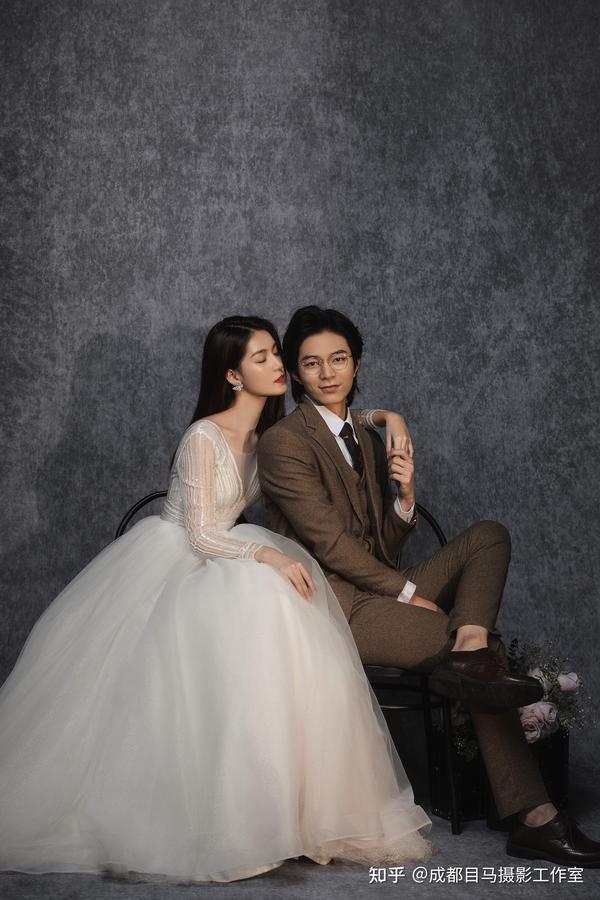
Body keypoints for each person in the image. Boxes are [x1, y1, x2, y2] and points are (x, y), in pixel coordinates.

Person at [0, 315, 432, 885]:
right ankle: (236, 822)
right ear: (232, 375)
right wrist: (268, 555)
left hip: (228, 554)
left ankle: (290, 809)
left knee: (281, 608)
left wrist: (388, 416)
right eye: (261, 357)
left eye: (276, 353)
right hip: (179, 556)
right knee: (267, 598)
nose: (278, 365)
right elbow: (202, 534)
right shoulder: (204, 436)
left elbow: (341, 415)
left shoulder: (268, 437)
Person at [256, 305, 600, 869]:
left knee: (489, 536)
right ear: (295, 373)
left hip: (376, 585)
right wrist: (406, 594)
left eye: (338, 359)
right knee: (481, 661)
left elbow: (383, 550)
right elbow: (334, 549)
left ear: (356, 363)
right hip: (335, 606)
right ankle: (537, 819)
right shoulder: (283, 443)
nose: (327, 373)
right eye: (311, 363)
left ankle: (470, 644)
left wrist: (405, 498)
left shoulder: (366, 437)